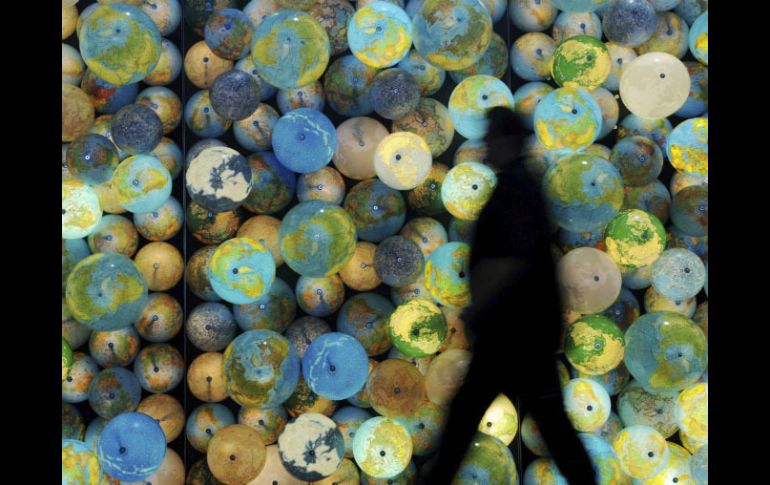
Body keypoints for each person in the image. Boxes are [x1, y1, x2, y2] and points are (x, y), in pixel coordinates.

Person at [422, 107, 596, 484]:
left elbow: (511, 260)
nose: (484, 147)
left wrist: (479, 308)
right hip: (521, 332)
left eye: (490, 139)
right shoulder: (521, 185)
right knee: (544, 426)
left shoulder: (516, 189)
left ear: (509, 141)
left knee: (467, 419)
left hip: (512, 333)